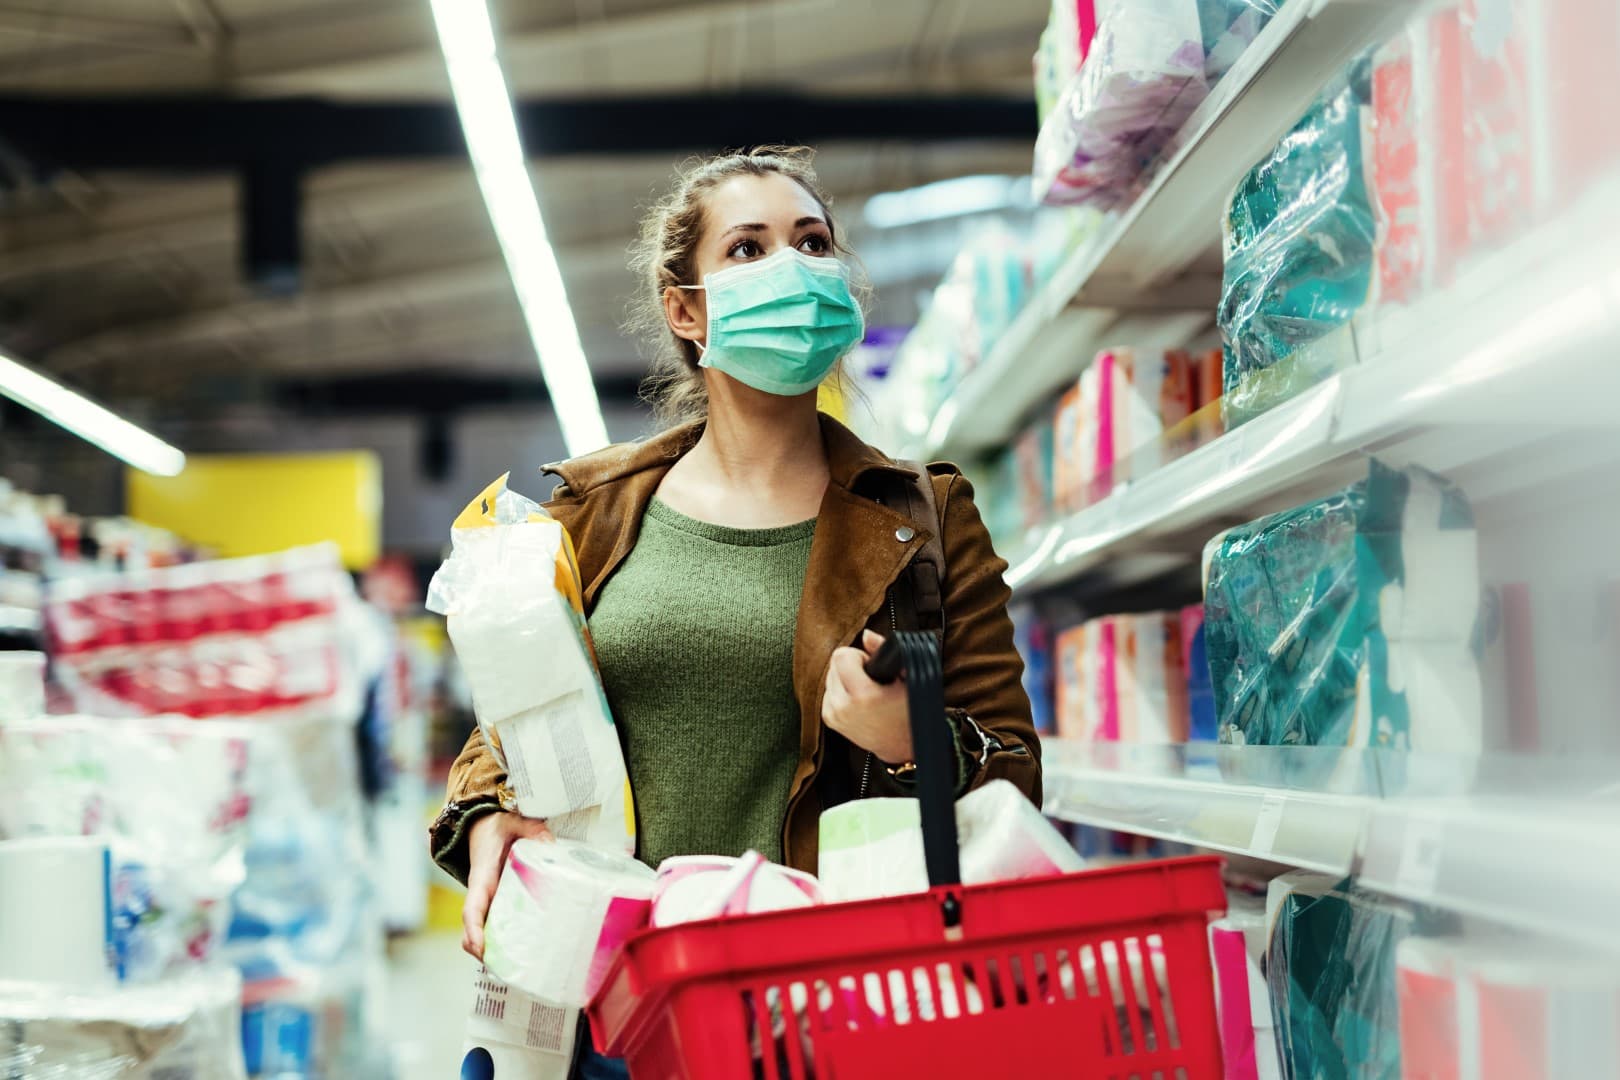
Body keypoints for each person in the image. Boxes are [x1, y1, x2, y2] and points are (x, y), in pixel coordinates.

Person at [429, 146, 1041, 1078]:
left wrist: (911, 737)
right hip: (590, 1014)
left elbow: (1016, 778)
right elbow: (511, 720)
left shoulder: (924, 515)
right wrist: (485, 811)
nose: (791, 268)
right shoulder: (591, 512)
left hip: (815, 1024)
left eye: (812, 242)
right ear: (686, 308)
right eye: (748, 250)